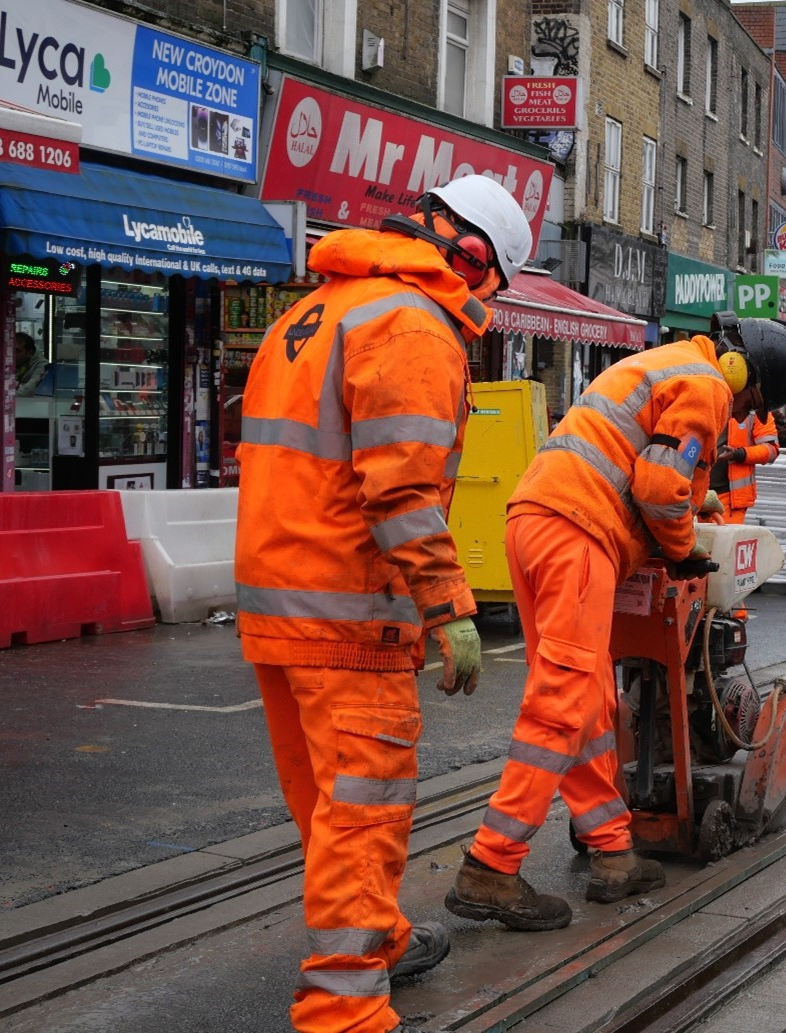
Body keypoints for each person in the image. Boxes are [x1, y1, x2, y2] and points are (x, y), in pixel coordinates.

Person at [234, 175, 534, 1033]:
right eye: (490, 285)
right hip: (349, 609)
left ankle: (383, 936)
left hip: (280, 603)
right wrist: (451, 606)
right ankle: (343, 1008)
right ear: (471, 261)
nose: (484, 302)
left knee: (328, 805)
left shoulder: (315, 311)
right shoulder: (412, 326)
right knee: (364, 811)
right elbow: (401, 489)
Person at [446, 311, 786, 931]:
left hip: (534, 520)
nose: (742, 413)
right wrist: (681, 544)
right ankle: (491, 865)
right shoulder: (707, 385)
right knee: (562, 701)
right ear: (741, 372)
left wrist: (701, 498)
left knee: (588, 698)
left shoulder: (665, 363)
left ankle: (613, 850)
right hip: (580, 531)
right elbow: (661, 486)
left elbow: (643, 455)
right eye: (751, 402)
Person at [711, 409, 780, 523]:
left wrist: (739, 454)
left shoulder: (757, 411)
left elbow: (772, 450)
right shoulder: (706, 401)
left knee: (723, 539)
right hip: (693, 494)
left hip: (728, 497)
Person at [13, 331, 47, 397]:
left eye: (17, 351)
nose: (12, 354)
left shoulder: (42, 364)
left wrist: (6, 397)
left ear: (30, 353)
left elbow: (29, 389)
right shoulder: (12, 362)